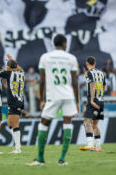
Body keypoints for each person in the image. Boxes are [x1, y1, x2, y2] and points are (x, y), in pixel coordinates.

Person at [26, 34, 79, 166]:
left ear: (54, 44)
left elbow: (42, 80)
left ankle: (40, 159)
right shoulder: (71, 58)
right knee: (67, 123)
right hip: (68, 95)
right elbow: (74, 82)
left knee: (43, 124)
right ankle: (62, 159)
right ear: (65, 44)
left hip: (53, 95)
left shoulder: (45, 57)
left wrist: (42, 99)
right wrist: (77, 101)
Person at [0, 54, 25, 154]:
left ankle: (18, 148)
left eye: (7, 66)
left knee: (14, 124)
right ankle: (17, 147)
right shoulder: (21, 73)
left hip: (14, 102)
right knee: (10, 123)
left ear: (9, 67)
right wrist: (12, 61)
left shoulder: (9, 73)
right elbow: (19, 68)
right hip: (20, 101)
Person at [79, 56, 106, 152]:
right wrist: (100, 97)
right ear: (95, 63)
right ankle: (98, 147)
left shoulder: (88, 73)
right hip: (101, 100)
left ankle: (90, 144)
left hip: (93, 100)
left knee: (86, 122)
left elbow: (92, 85)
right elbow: (104, 87)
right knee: (95, 124)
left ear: (87, 64)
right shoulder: (101, 73)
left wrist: (91, 100)